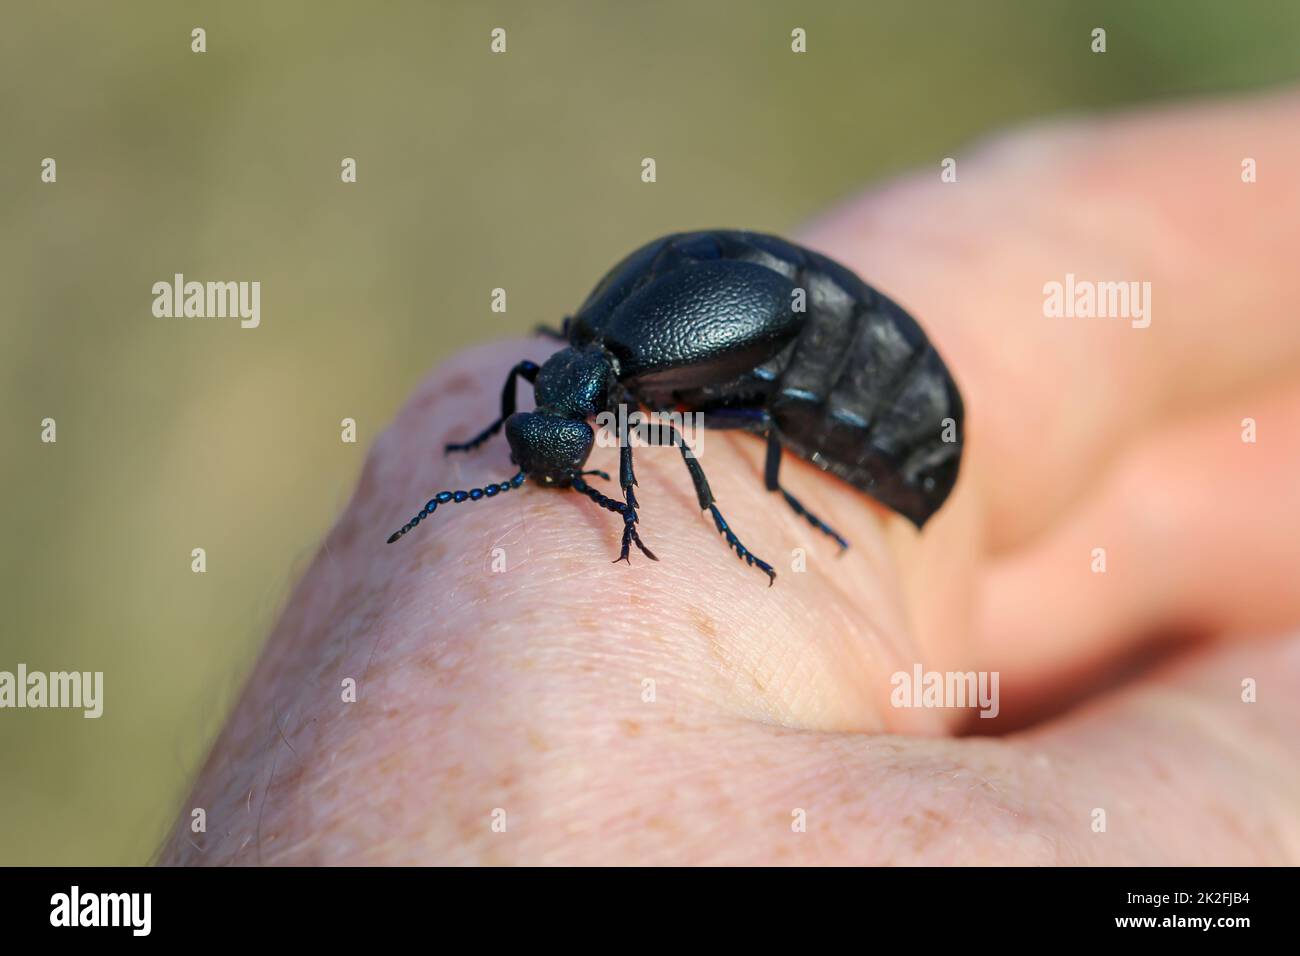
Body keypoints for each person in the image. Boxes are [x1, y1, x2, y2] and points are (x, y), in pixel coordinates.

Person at [161, 90, 1300, 865]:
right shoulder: (570, 376)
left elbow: (680, 429)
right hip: (753, 327)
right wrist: (489, 456)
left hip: (803, 350)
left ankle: (781, 502)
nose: (565, 458)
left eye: (557, 450)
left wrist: (738, 517)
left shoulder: (613, 382)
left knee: (722, 431)